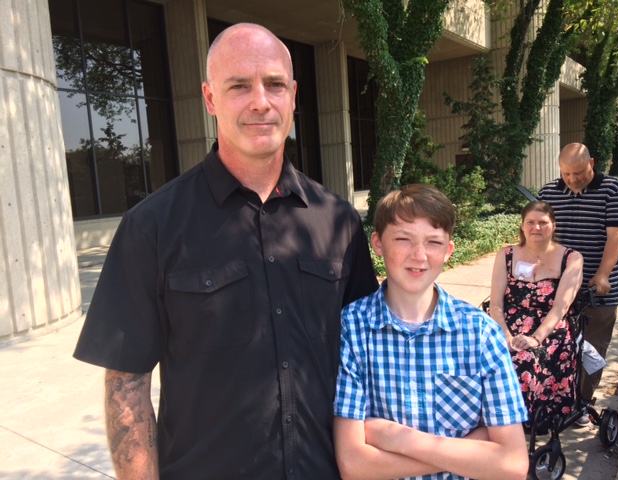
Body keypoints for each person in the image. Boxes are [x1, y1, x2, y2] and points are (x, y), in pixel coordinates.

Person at [73, 23, 378, 479]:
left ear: (293, 96)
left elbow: (370, 358)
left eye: (275, 84)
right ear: (210, 98)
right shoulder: (152, 226)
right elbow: (127, 385)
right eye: (239, 86)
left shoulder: (339, 221)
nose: (261, 101)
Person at [333, 184, 529, 480]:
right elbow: (353, 465)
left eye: (434, 242)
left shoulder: (480, 333)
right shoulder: (352, 328)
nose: (419, 255)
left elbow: (512, 465)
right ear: (378, 243)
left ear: (449, 250)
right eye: (403, 239)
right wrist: (471, 451)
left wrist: (398, 439)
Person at [538, 143, 618, 425]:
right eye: (566, 173)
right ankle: (555, 397)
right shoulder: (548, 192)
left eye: (578, 172)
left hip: (597, 290)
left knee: (592, 349)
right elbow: (540, 236)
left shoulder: (612, 189)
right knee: (555, 346)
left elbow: (616, 236)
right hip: (557, 288)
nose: (572, 179)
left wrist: (602, 274)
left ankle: (582, 402)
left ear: (591, 163)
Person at [489, 201, 584, 425]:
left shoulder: (571, 258)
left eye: (543, 222)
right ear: (522, 226)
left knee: (524, 358)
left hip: (549, 329)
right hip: (507, 325)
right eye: (530, 222)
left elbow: (561, 307)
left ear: (553, 225)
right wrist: (506, 336)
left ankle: (521, 422)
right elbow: (495, 304)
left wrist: (535, 338)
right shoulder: (506, 254)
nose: (536, 227)